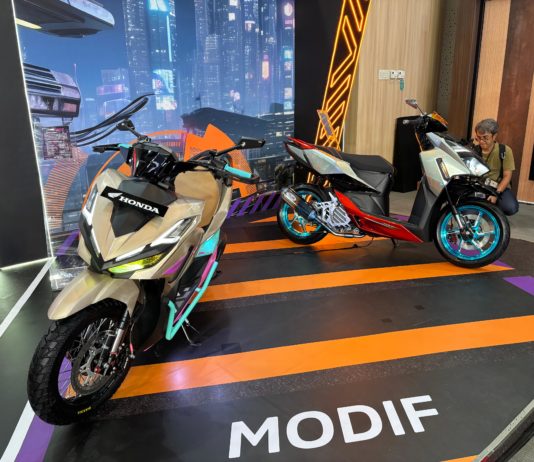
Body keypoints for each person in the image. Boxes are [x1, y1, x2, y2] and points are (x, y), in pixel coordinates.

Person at [473, 118, 519, 215]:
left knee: (511, 207)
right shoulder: (474, 151)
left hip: (498, 187)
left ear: (494, 136)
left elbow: (507, 176)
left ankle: (494, 206)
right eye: (479, 138)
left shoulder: (505, 151)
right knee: (466, 211)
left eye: (485, 138)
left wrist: (496, 194)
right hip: (479, 186)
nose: (481, 141)